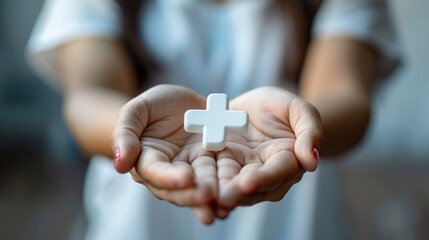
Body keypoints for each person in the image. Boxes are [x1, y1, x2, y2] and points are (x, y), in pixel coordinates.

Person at [27, 0, 399, 239]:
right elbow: (88, 96)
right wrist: (130, 128)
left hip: (295, 215)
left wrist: (300, 127)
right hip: (138, 217)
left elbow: (345, 95)